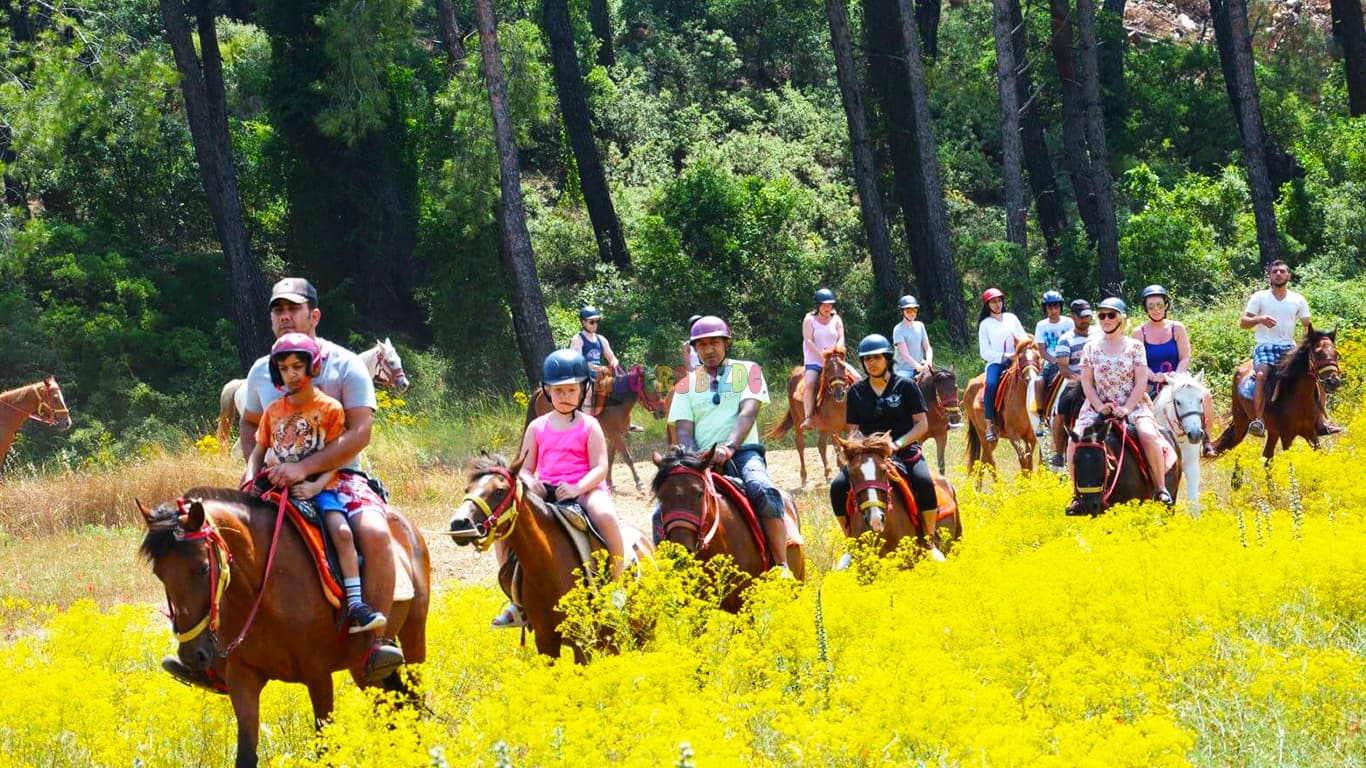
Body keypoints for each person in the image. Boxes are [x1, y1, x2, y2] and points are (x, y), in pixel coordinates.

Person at [245, 333, 386, 634]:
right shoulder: (272, 412)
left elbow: (335, 457)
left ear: (313, 367)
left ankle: (356, 603)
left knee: (343, 532)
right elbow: (258, 452)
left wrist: (315, 486)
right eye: (284, 368)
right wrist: (249, 479)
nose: (292, 373)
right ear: (276, 372)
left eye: (298, 366)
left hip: (320, 487)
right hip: (276, 488)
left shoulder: (331, 408)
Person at [491, 349, 628, 628]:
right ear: (547, 391)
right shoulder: (537, 427)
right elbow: (526, 469)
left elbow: (600, 467)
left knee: (606, 517)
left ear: (582, 390)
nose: (565, 396)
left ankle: (616, 584)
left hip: (585, 488)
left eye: (571, 390)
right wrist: (532, 483)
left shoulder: (589, 425)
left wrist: (577, 488)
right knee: (503, 530)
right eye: (558, 390)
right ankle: (516, 598)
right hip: (546, 493)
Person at [668, 316, 793, 574]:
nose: (709, 349)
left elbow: (748, 412)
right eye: (701, 345)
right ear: (695, 349)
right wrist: (694, 459)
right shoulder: (685, 385)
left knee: (764, 491)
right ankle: (671, 574)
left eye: (714, 342)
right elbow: (683, 429)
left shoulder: (749, 371)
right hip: (701, 458)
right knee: (665, 509)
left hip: (743, 452)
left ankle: (781, 565)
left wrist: (729, 447)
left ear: (727, 343)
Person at [829, 334, 941, 569]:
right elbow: (854, 430)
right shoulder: (856, 392)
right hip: (869, 455)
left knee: (923, 481)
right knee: (838, 486)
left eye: (877, 358)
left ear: (887, 359)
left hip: (903, 449)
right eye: (867, 359)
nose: (872, 363)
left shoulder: (906, 386)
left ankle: (929, 540)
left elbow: (922, 424)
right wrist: (856, 445)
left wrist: (896, 444)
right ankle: (851, 543)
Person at [1069, 297, 1174, 509]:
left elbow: (1141, 381)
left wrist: (1126, 407)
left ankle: (1160, 488)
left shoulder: (1135, 347)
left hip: (1133, 405)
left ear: (1121, 318)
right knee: (1075, 441)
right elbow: (1087, 383)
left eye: (1111, 315)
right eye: (1102, 316)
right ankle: (1076, 495)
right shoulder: (1090, 348)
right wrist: (1099, 406)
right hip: (1096, 407)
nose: (1106, 319)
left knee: (1147, 435)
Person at [1133, 284, 1216, 457]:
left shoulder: (1176, 328)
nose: (1156, 310)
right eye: (1151, 307)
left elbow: (1185, 356)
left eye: (1159, 306)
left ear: (1166, 306)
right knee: (1136, 405)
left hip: (1178, 375)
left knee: (1205, 395)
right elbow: (1138, 362)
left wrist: (1176, 375)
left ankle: (1207, 439)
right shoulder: (1138, 332)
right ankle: (1139, 446)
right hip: (1150, 378)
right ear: (1145, 309)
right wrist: (1153, 376)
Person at [1241, 261, 1314, 438]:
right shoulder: (1260, 297)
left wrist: (1303, 346)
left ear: (1288, 275)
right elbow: (1243, 323)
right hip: (1265, 346)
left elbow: (1307, 324)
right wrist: (1260, 319)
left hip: (1289, 347)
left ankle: (1320, 419)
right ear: (1269, 276)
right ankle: (1257, 421)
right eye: (1275, 271)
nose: (1279, 274)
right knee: (1261, 374)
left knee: (1312, 374)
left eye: (1282, 271)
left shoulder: (1298, 299)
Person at [1048, 299, 1101, 469]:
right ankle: (1058, 452)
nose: (1085, 320)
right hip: (1075, 382)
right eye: (1081, 317)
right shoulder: (1066, 340)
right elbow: (1063, 368)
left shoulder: (1099, 334)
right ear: (1072, 317)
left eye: (1087, 316)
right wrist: (1082, 381)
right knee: (1061, 411)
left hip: (1101, 381)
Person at [977, 287, 1027, 443]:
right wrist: (1004, 356)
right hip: (997, 363)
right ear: (987, 305)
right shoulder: (985, 324)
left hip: (1018, 359)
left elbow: (1023, 336)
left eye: (999, 301)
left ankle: (1043, 417)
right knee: (991, 385)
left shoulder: (1011, 317)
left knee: (1035, 379)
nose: (997, 304)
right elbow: (984, 352)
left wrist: (1022, 350)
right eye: (993, 302)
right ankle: (989, 424)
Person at [801, 288, 847, 429]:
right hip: (815, 361)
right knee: (809, 384)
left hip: (835, 361)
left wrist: (836, 351)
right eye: (824, 305)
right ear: (818, 305)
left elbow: (841, 337)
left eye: (830, 305)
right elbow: (808, 340)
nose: (828, 308)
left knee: (857, 377)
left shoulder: (836, 319)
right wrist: (822, 356)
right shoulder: (809, 319)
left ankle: (860, 412)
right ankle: (808, 417)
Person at [1033, 290, 1074, 435]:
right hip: (1051, 360)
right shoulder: (1041, 325)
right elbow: (1042, 350)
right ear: (1045, 309)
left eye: (1056, 307)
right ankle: (1041, 416)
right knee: (1038, 382)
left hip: (1070, 358)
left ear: (1060, 307)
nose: (1053, 310)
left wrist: (1066, 359)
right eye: (1050, 307)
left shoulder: (1069, 322)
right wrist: (1054, 361)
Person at [569, 306, 620, 413]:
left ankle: (621, 421)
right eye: (592, 322)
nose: (595, 324)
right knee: (587, 393)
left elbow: (612, 357)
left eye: (597, 321)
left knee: (619, 390)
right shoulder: (577, 339)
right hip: (582, 374)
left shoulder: (601, 339)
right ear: (583, 323)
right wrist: (593, 367)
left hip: (599, 374)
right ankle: (586, 422)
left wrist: (613, 363)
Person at [892, 294, 933, 382]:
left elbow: (928, 348)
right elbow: (905, 355)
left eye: (914, 310)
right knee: (905, 384)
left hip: (921, 366)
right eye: (908, 310)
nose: (912, 313)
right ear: (902, 311)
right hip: (903, 369)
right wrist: (919, 368)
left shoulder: (920, 325)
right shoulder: (898, 329)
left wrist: (928, 363)